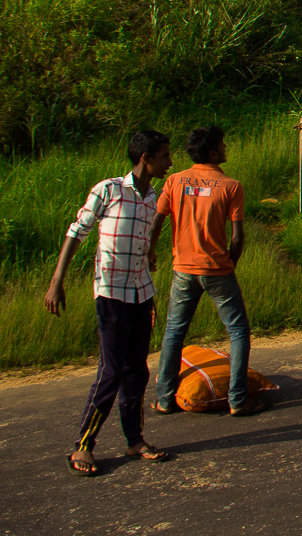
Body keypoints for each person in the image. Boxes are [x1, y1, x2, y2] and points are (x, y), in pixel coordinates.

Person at [45, 130, 174, 476]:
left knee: (137, 371)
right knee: (111, 371)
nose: (169, 162)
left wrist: (148, 254)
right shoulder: (110, 190)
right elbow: (77, 232)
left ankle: (135, 440)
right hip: (111, 293)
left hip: (141, 293)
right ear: (145, 158)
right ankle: (84, 445)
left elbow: (145, 234)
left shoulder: (153, 198)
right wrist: (57, 282)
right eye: (164, 156)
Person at [151, 125, 261, 416]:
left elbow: (156, 221)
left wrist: (150, 252)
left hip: (183, 269)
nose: (226, 149)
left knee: (174, 331)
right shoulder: (231, 186)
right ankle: (237, 401)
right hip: (217, 269)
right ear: (212, 151)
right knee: (238, 332)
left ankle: (164, 399)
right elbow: (237, 236)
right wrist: (229, 266)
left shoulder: (175, 181)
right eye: (222, 145)